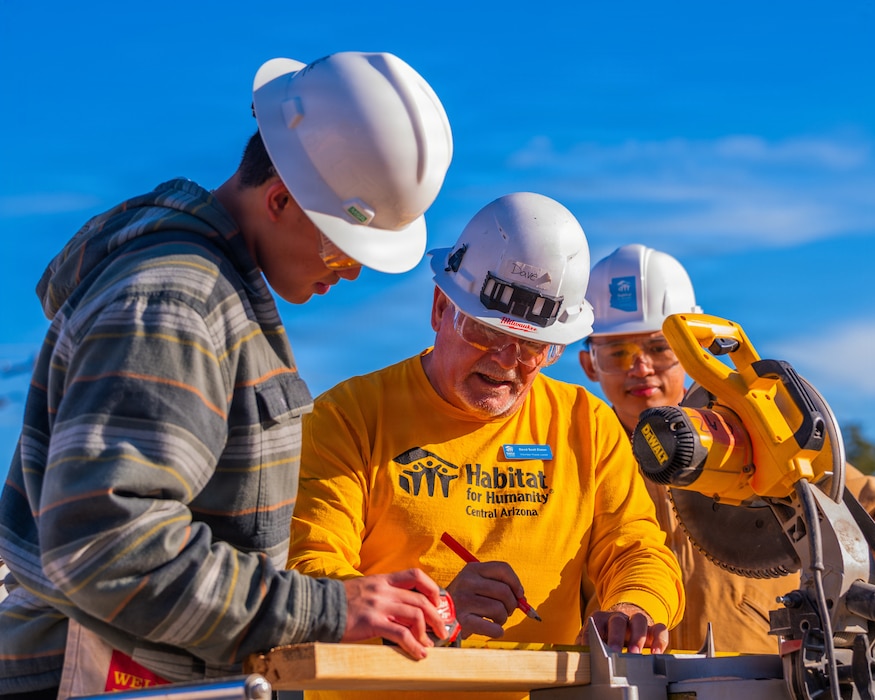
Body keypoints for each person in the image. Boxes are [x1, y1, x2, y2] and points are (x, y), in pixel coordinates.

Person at [0, 51, 455, 700]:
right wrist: (328, 610)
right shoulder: (177, 299)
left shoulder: (207, 290)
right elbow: (106, 546)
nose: (348, 272)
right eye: (340, 246)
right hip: (101, 677)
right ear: (277, 199)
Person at [286, 193, 685, 700]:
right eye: (484, 331)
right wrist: (437, 612)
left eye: (533, 346)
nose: (505, 359)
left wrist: (635, 607)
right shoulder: (350, 418)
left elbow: (635, 548)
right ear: (439, 309)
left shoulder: (585, 425)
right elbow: (312, 575)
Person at [578, 243, 875, 654]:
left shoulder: (750, 433)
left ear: (690, 349)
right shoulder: (583, 453)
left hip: (758, 672)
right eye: (618, 352)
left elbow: (849, 493)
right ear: (589, 364)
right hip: (628, 674)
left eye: (658, 348)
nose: (640, 367)